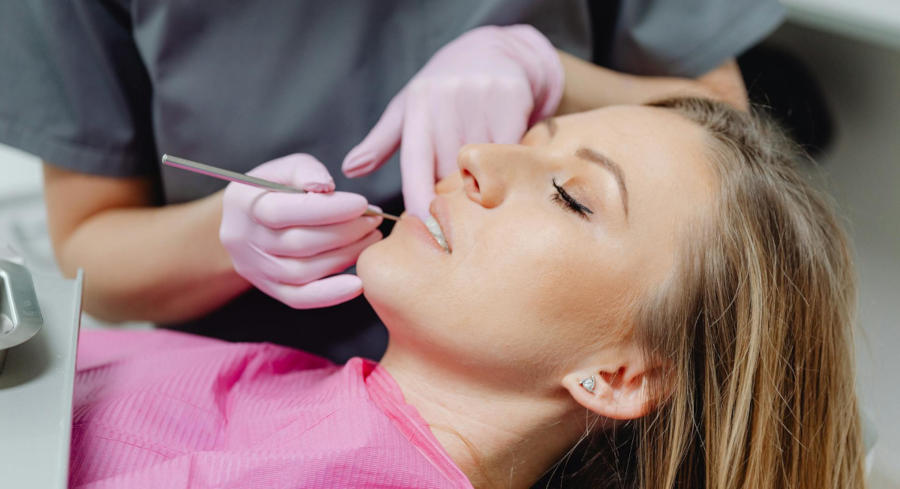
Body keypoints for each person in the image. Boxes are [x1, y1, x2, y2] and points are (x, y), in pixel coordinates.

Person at [68, 98, 864, 488]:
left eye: (571, 196)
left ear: (618, 373)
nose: (480, 154)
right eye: (526, 139)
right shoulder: (338, 408)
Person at [0, 2, 785, 362]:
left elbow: (729, 149)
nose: (467, 163)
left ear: (616, 375)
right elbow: (89, 249)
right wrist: (217, 237)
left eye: (570, 186)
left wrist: (550, 75)